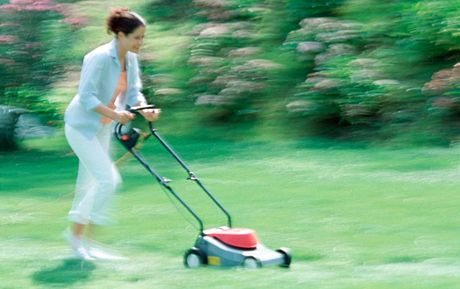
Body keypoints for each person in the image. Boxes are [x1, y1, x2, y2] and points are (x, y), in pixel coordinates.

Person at [64, 8, 160, 260]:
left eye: (142, 37)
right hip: (80, 127)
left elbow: (133, 93)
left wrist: (145, 109)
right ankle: (77, 239)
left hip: (103, 126)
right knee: (109, 180)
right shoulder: (98, 57)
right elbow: (86, 98)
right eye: (137, 37)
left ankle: (84, 245)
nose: (141, 42)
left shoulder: (131, 59)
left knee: (93, 184)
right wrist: (116, 114)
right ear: (120, 34)